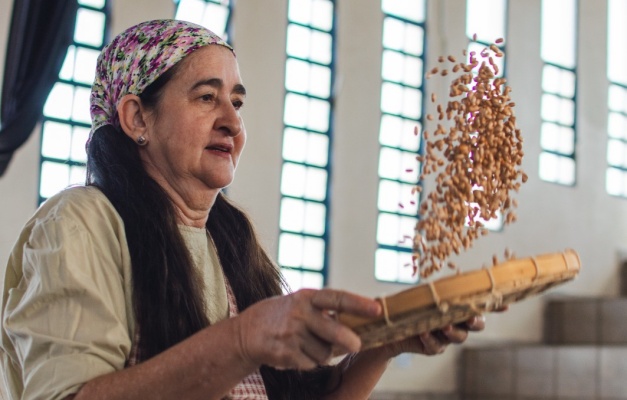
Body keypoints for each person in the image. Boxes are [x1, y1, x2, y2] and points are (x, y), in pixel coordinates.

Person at [0, 19, 487, 400]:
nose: (233, 123)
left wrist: (386, 344)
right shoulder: (81, 224)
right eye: (207, 97)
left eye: (237, 102)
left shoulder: (229, 241)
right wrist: (243, 339)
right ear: (136, 117)